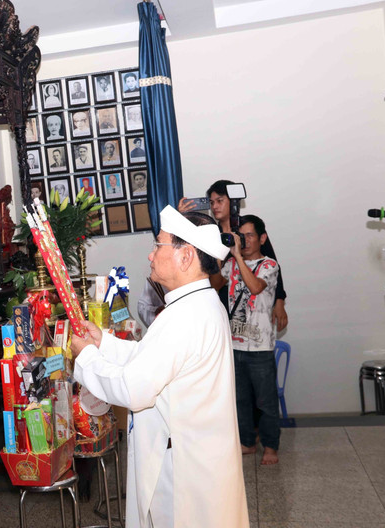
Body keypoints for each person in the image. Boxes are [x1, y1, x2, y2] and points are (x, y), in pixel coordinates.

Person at [71, 206, 248, 528]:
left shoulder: (185, 315)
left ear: (186, 256)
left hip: (181, 473)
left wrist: (86, 358)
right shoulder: (198, 304)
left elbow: (133, 389)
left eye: (158, 245)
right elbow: (152, 359)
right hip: (194, 456)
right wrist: (103, 345)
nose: (151, 255)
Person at [214, 215, 281, 466]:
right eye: (242, 236)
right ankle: (247, 442)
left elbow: (254, 287)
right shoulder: (232, 264)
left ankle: (271, 447)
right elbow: (215, 284)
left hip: (260, 347)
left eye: (250, 235)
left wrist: (238, 257)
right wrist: (220, 257)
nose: (245, 240)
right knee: (240, 400)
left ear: (262, 238)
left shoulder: (269, 265)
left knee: (265, 402)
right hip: (234, 344)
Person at [181, 180, 288, 331]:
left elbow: (272, 262)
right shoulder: (211, 233)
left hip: (255, 302)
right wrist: (182, 218)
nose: (215, 206)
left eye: (220, 201)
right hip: (223, 299)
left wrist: (279, 301)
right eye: (211, 202)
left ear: (233, 202)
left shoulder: (249, 228)